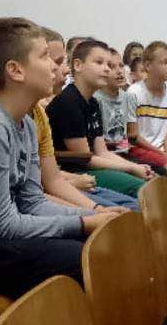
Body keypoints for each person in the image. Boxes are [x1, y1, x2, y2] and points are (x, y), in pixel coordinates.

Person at [0, 18, 115, 299]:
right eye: (44, 56)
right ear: (15, 70)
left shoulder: (26, 123)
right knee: (81, 256)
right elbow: (1, 225)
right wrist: (83, 222)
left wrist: (97, 215)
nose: (55, 66)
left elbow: (32, 201)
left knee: (103, 240)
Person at [38, 30, 138, 211]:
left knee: (147, 182)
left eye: (109, 64)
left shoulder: (92, 102)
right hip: (77, 169)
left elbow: (101, 151)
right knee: (138, 192)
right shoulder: (68, 102)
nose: (107, 69)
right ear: (78, 65)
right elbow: (85, 158)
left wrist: (132, 167)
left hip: (78, 171)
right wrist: (130, 169)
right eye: (99, 63)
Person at [125, 41, 167, 169]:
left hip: (162, 149)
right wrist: (163, 154)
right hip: (139, 149)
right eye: (165, 62)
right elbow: (133, 136)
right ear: (148, 66)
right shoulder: (134, 92)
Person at [94, 49, 134, 152]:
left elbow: (130, 133)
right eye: (112, 67)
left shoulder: (128, 97)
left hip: (124, 151)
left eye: (121, 66)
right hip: (105, 153)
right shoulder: (95, 99)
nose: (119, 71)